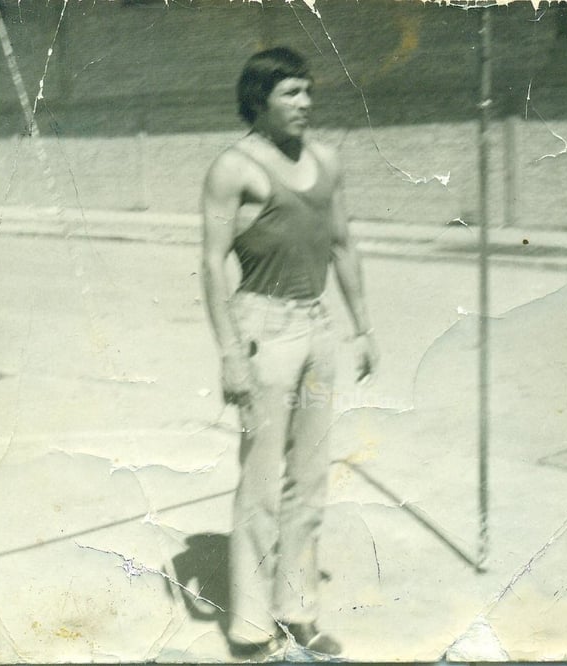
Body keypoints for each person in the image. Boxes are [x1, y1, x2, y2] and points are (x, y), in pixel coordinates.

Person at [201, 46, 377, 659]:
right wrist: (229, 351)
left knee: (309, 476)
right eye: (291, 94)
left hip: (318, 328)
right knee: (261, 479)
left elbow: (344, 244)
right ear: (259, 102)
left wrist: (363, 327)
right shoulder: (234, 167)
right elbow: (211, 259)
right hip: (263, 330)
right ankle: (249, 625)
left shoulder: (327, 162)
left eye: (308, 91)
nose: (306, 104)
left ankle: (297, 612)